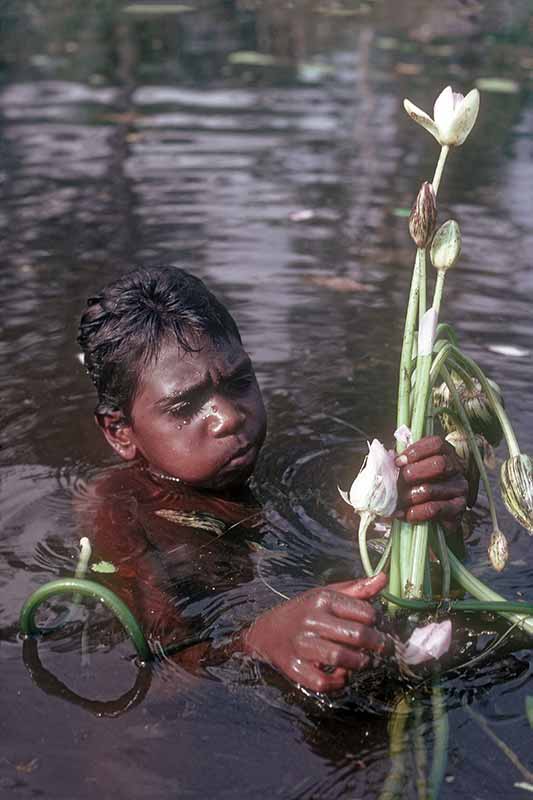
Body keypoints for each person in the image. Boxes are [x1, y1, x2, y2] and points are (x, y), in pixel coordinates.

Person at [77, 265, 467, 694]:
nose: (229, 417)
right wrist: (257, 644)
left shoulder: (283, 466)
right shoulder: (118, 512)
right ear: (120, 432)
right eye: (186, 406)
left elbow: (375, 547)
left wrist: (426, 513)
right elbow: (166, 663)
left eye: (240, 381)